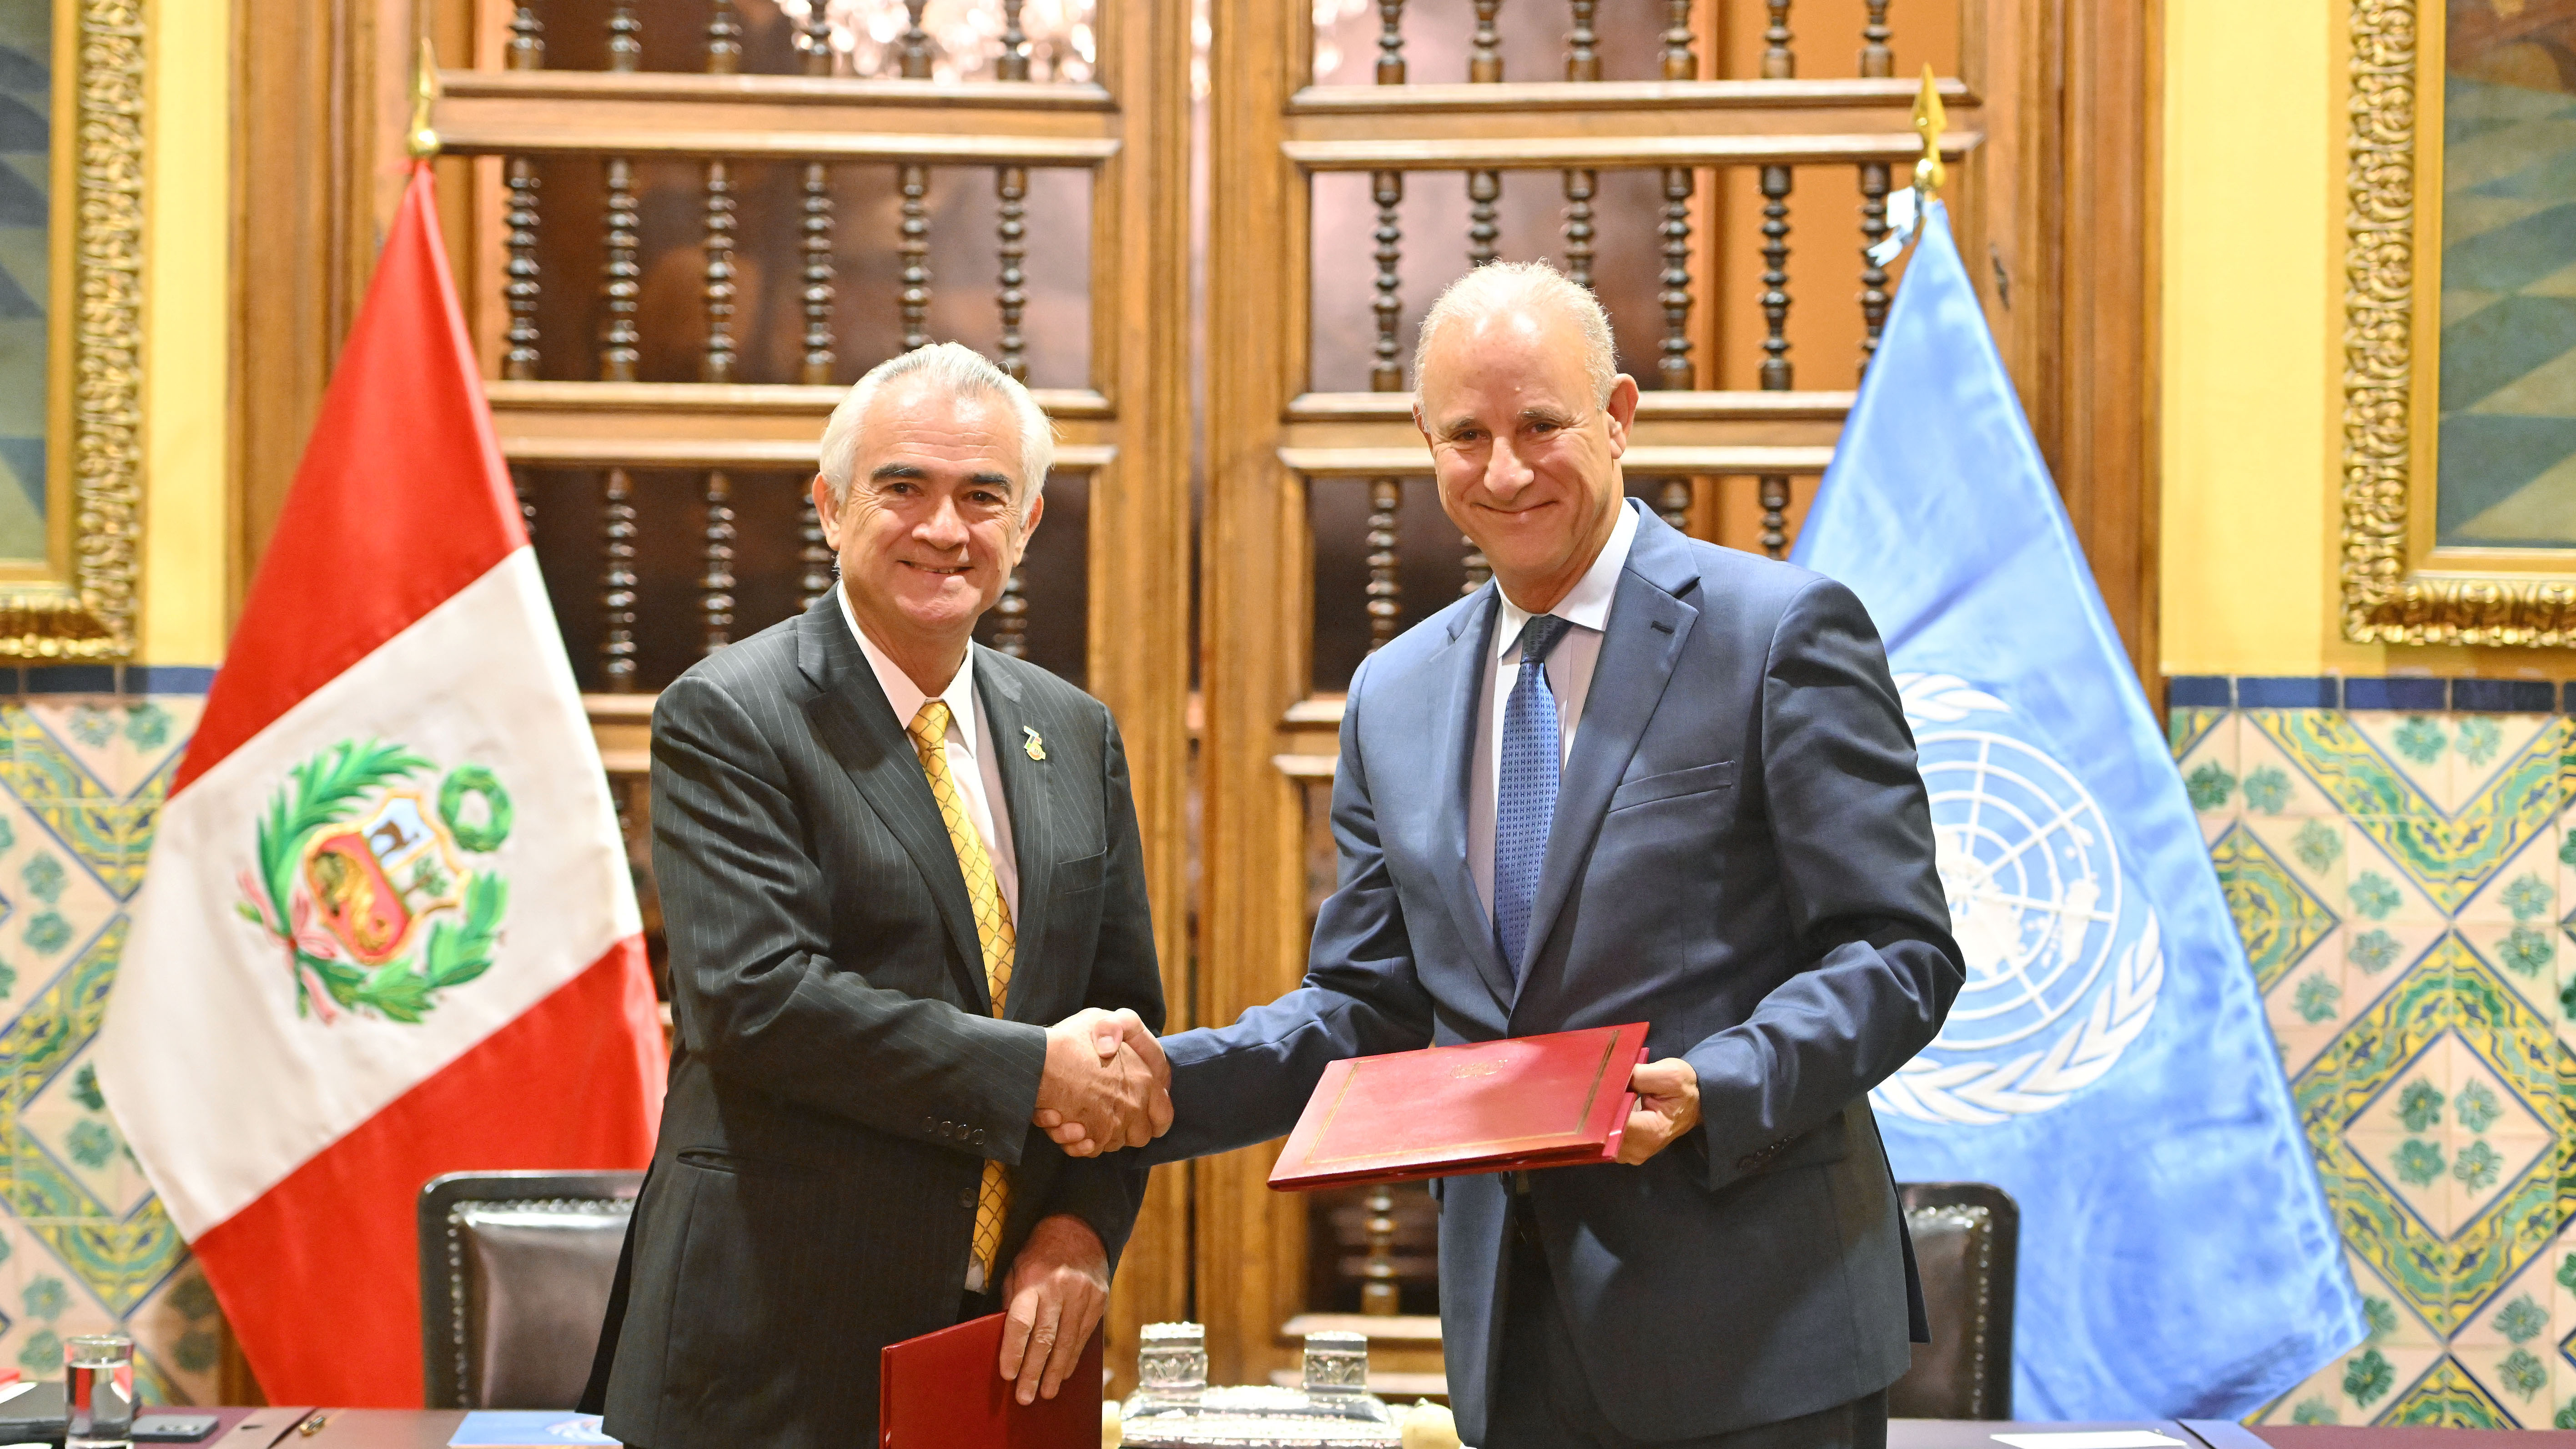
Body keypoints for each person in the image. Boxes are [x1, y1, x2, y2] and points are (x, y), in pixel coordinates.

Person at [1090, 263, 1965, 1448]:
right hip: (1512, 1342)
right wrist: (1143, 1091)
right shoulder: (1392, 698)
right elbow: (1365, 1008)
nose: (1504, 471)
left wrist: (1721, 1086)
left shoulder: (1781, 633)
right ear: (1427, 443)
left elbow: (1899, 949)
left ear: (1619, 416)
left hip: (1761, 1336)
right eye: (1467, 436)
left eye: (1541, 425)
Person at [588, 342, 1174, 1448]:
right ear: (830, 506)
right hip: (769, 1354)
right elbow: (754, 1002)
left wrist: (1082, 1230)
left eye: (982, 495)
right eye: (903, 487)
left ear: (1029, 522)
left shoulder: (1074, 730)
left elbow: (1124, 1038)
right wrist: (1026, 1070)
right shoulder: (732, 714)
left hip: (999, 1352)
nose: (944, 529)